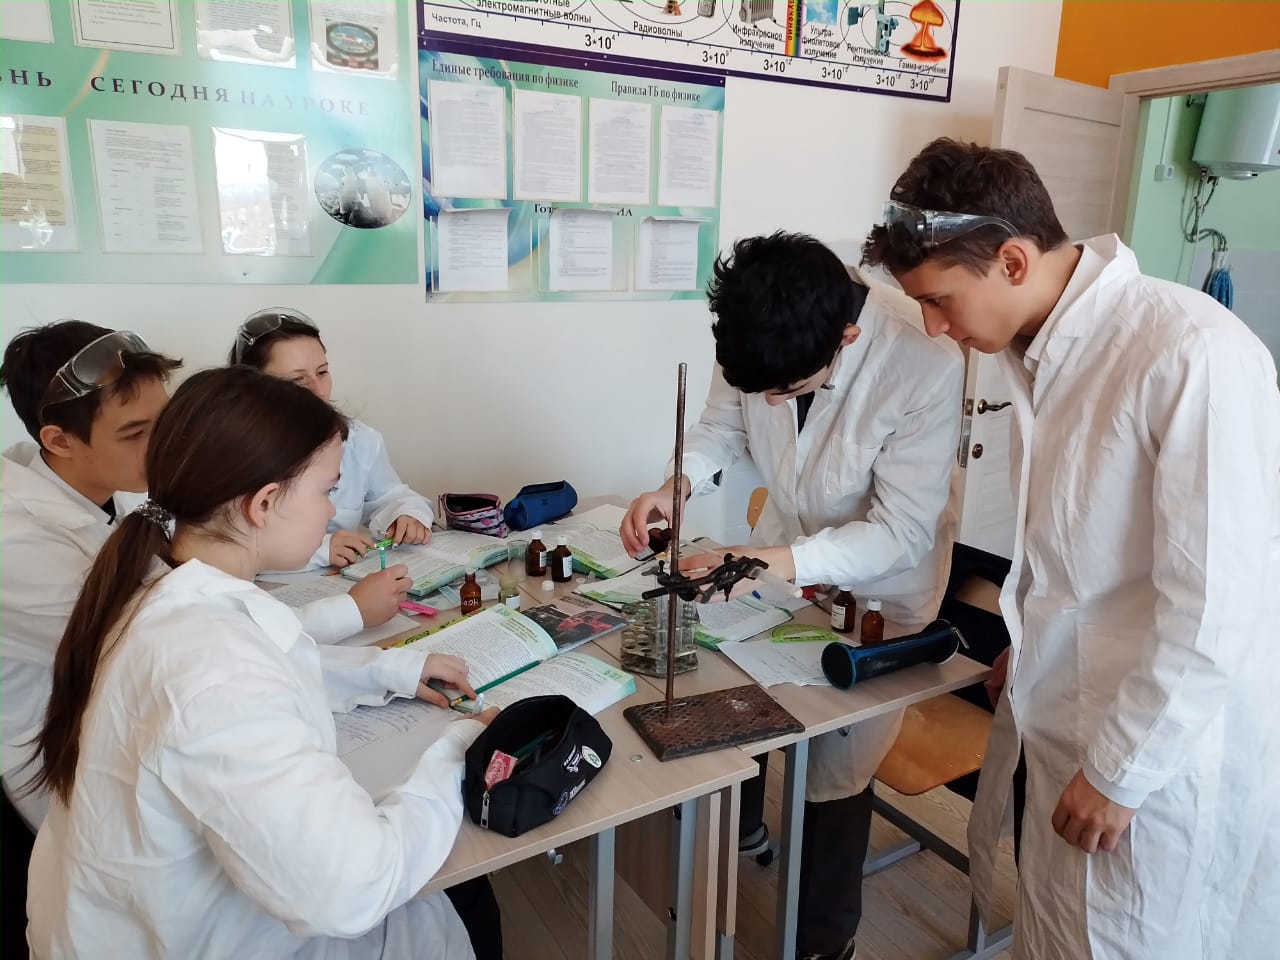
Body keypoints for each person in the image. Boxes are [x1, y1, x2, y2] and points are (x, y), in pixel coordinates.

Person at [862, 136, 1280, 959]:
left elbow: (1217, 602)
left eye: (940, 300)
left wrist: (1124, 770)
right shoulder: (1042, 352)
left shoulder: (1190, 351)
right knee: (1059, 931)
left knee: (1127, 938)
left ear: (1013, 261)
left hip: (1161, 760)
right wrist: (1032, 644)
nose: (936, 327)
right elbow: (1083, 549)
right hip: (1073, 719)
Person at [25, 365, 500, 960]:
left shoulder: (165, 591)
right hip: (198, 939)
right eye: (326, 491)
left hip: (151, 922)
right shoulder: (210, 665)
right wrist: (462, 751)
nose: (332, 511)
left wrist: (387, 672)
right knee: (460, 897)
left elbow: (270, 663)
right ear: (265, 503)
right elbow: (350, 888)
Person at [621, 231, 963, 960]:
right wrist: (676, 485)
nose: (770, 403)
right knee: (745, 694)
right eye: (762, 391)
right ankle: (743, 829)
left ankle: (822, 940)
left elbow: (899, 531)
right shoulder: (760, 318)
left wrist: (769, 561)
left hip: (882, 590)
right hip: (783, 554)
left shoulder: (923, 364)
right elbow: (720, 426)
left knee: (838, 767)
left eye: (788, 392)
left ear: (847, 338)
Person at [0, 323, 181, 830]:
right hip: (55, 768)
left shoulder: (110, 485)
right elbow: (155, 647)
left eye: (165, 421)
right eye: (135, 433)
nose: (164, 444)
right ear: (59, 441)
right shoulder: (14, 543)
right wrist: (345, 613)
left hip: (131, 720)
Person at [230, 308, 434, 570]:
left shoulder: (357, 439)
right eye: (298, 379)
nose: (318, 390)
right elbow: (221, 540)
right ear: (252, 384)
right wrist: (321, 549)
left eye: (322, 372)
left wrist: (405, 514)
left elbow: (391, 497)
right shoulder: (229, 446)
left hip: (340, 582)